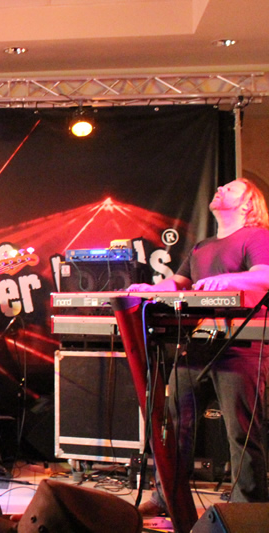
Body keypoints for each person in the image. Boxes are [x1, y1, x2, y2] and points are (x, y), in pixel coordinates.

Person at [127, 177, 269, 514]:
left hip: (242, 347)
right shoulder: (202, 246)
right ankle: (166, 499)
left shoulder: (257, 236)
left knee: (242, 432)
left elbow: (265, 275)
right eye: (220, 187)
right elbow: (179, 284)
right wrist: (148, 289)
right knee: (173, 424)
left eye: (230, 188)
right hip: (200, 343)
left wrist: (231, 279)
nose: (220, 189)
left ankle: (247, 510)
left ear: (248, 204)